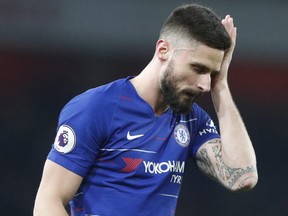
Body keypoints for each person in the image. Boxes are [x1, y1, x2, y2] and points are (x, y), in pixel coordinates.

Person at [34, 4, 258, 216]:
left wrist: (221, 85)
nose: (204, 84)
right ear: (163, 50)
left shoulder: (191, 119)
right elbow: (48, 202)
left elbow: (242, 177)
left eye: (211, 73)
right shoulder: (96, 108)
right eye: (198, 68)